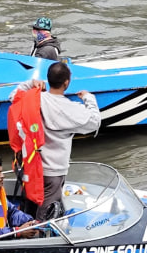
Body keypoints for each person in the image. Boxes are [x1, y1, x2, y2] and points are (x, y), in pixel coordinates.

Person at [17, 62, 100, 219]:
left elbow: (13, 97)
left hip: (31, 167)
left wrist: (30, 84)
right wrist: (89, 98)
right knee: (45, 217)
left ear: (48, 80)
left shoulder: (33, 100)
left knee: (28, 209)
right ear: (66, 83)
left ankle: (23, 234)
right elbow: (95, 122)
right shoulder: (71, 109)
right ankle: (40, 240)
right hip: (53, 172)